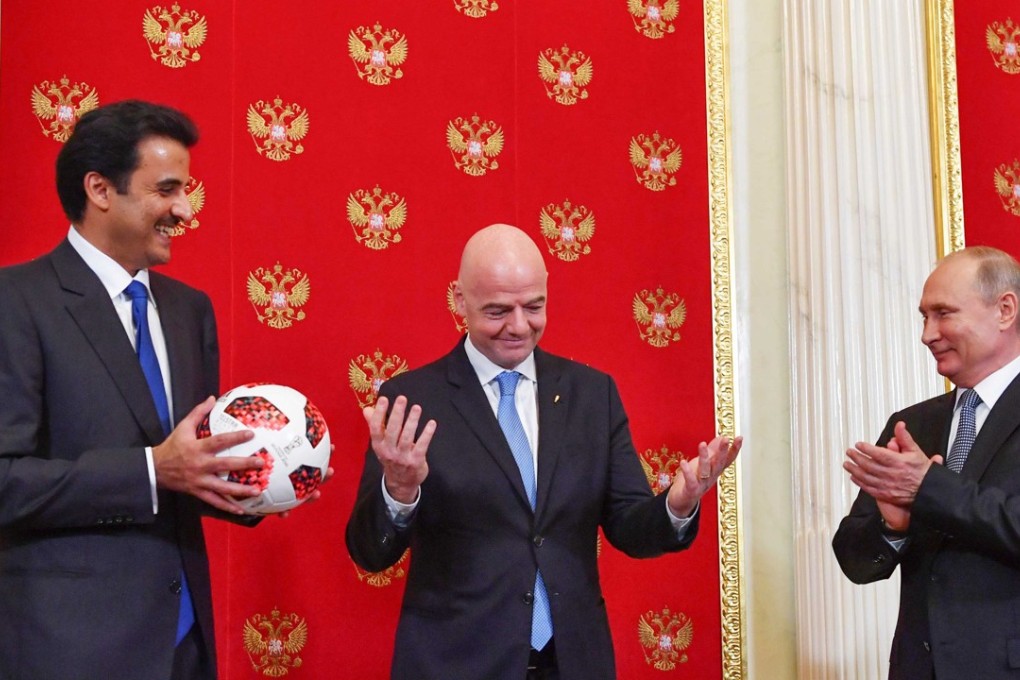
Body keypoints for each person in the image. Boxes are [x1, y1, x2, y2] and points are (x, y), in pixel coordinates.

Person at [346, 223, 742, 680]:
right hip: (454, 664)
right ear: (459, 301)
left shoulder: (593, 395)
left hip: (573, 664)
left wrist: (677, 504)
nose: (518, 326)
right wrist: (397, 490)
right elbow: (370, 553)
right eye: (497, 310)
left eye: (533, 307)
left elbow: (631, 529)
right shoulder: (411, 400)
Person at [0, 100, 268, 680]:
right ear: (99, 189)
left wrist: (266, 476)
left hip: (184, 643)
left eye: (187, 189)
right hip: (67, 651)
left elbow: (194, 469)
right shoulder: (17, 303)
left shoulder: (189, 310)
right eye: (167, 189)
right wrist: (150, 471)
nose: (186, 209)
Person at [833, 246, 1020, 680]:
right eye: (924, 317)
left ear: (1005, 310)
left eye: (944, 313)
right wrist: (892, 528)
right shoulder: (912, 424)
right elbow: (855, 562)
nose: (927, 334)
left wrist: (929, 489)